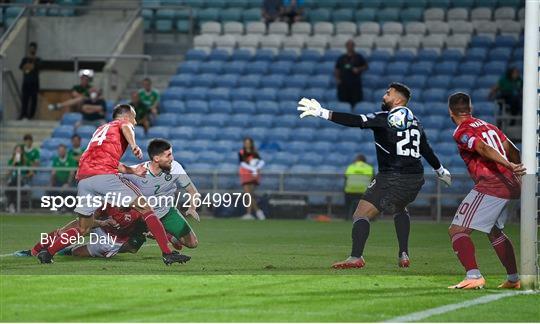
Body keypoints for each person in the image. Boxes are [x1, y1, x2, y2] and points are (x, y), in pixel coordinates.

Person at [297, 83, 452, 269]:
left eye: (388, 93)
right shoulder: (416, 122)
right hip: (415, 178)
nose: (384, 96)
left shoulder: (385, 118)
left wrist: (322, 112)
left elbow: (356, 121)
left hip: (391, 177)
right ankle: (404, 253)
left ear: (398, 99)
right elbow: (425, 149)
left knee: (361, 214)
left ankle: (356, 257)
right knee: (400, 207)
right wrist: (441, 171)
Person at [35, 104, 188, 266]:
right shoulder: (122, 124)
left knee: (83, 228)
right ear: (126, 116)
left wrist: (133, 171)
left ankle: (48, 253)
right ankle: (167, 253)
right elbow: (126, 126)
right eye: (134, 117)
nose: (135, 122)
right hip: (105, 177)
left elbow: (111, 162)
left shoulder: (100, 130)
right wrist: (134, 145)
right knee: (146, 208)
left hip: (84, 180)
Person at [446, 92, 524, 290]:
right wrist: (516, 167)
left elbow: (481, 148)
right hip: (510, 184)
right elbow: (513, 149)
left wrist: (508, 165)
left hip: (492, 184)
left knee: (457, 229)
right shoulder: (490, 127)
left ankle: (473, 276)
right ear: (470, 109)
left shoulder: (461, 131)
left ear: (450, 112)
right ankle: (513, 279)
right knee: (494, 231)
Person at [121, 138, 200, 251]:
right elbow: (114, 176)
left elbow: (193, 191)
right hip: (143, 216)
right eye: (168, 155)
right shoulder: (136, 171)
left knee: (192, 243)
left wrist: (192, 208)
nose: (172, 158)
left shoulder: (175, 167)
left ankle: (168, 236)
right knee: (129, 248)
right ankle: (161, 233)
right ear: (156, 158)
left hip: (167, 212)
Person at [335, 40, 368, 110]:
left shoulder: (358, 57)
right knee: (343, 102)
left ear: (353, 46)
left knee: (355, 102)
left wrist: (358, 69)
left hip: (355, 84)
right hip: (344, 84)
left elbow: (366, 66)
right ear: (346, 47)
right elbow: (337, 69)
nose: (350, 47)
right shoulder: (342, 58)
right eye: (348, 45)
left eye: (351, 45)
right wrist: (337, 79)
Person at [238, 137, 266, 220]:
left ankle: (251, 213)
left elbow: (261, 162)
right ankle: (257, 212)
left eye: (248, 142)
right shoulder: (242, 152)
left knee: (250, 195)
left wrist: (255, 169)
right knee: (248, 195)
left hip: (253, 175)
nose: (247, 144)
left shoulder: (254, 153)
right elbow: (242, 163)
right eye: (246, 142)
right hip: (245, 174)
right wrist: (252, 168)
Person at [344, 154, 374, 219]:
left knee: (347, 196)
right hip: (364, 192)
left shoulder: (350, 167)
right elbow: (373, 181)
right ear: (365, 161)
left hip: (350, 191)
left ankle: (347, 216)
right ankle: (370, 217)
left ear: (356, 160)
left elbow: (346, 179)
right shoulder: (370, 168)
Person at [18, 42, 41, 120]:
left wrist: (31, 64)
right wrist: (28, 64)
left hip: (34, 82)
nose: (32, 50)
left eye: (33, 48)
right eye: (31, 48)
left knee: (34, 100)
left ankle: (31, 116)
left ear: (35, 49)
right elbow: (21, 67)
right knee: (25, 99)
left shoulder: (38, 59)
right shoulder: (25, 59)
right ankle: (23, 114)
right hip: (26, 82)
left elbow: (36, 67)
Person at [5, 145, 31, 213]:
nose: (18, 152)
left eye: (19, 151)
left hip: (22, 181)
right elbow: (7, 173)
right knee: (14, 182)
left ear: (22, 152)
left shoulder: (25, 161)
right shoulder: (11, 161)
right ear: (14, 151)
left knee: (15, 181)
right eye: (17, 151)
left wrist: (25, 176)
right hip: (13, 181)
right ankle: (13, 205)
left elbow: (31, 173)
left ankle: (10, 205)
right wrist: (14, 163)